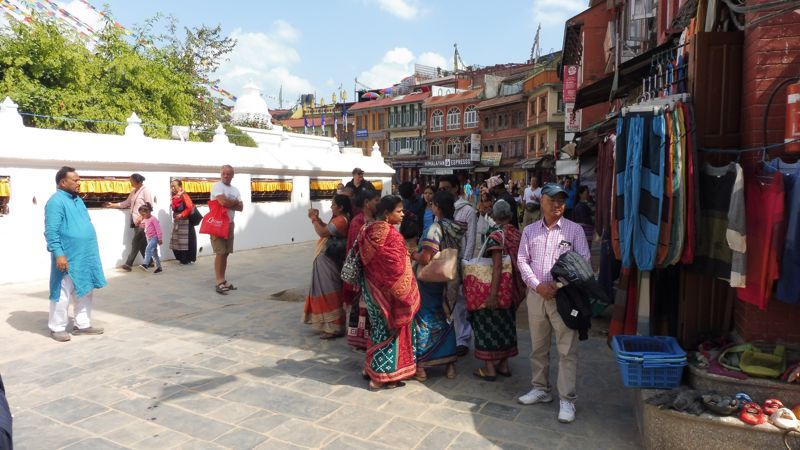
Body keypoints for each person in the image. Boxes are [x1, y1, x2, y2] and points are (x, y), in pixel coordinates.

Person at [516, 183, 591, 424]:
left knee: (567, 349)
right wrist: (538, 286)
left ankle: (567, 399)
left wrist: (557, 286)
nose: (558, 204)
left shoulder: (574, 231)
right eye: (553, 200)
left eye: (562, 200)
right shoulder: (529, 231)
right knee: (538, 347)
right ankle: (540, 388)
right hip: (537, 296)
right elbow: (522, 261)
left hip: (565, 298)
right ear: (542, 202)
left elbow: (584, 263)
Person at [358, 195, 421, 390]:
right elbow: (396, 270)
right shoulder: (392, 236)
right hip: (388, 294)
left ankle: (370, 369)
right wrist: (406, 292)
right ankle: (379, 377)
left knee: (377, 329)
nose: (402, 214)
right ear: (386, 214)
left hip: (371, 289)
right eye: (398, 211)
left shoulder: (367, 229)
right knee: (389, 331)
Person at [44, 166, 107, 342]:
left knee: (85, 290)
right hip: (68, 256)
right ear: (63, 182)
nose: (79, 183)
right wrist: (59, 254)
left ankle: (83, 324)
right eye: (75, 180)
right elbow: (51, 231)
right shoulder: (55, 202)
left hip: (85, 255)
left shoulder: (77, 200)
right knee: (62, 292)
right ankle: (57, 327)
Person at [411, 190, 465, 381]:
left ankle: (423, 364)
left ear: (437, 207)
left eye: (433, 204)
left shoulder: (436, 228)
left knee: (425, 319)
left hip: (431, 281)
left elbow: (426, 257)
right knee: (446, 318)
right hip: (450, 278)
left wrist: (413, 255)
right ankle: (449, 364)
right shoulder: (456, 227)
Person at [469, 200, 524, 381]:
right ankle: (504, 364)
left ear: (493, 215)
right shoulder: (518, 234)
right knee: (507, 325)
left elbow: (498, 266)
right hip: (513, 288)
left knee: (486, 324)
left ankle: (489, 367)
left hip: (496, 287)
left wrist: (492, 295)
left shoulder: (495, 235)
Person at [437, 174, 477, 357]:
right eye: (440, 188)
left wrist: (465, 263)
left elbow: (470, 239)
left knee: (460, 302)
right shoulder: (439, 209)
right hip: (442, 262)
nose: (442, 191)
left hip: (459, 261)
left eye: (445, 188)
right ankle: (448, 337)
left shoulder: (466, 210)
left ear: (455, 189)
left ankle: (462, 339)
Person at [304, 194, 351, 339]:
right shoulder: (338, 219)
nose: (331, 207)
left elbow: (323, 232)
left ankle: (334, 327)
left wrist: (313, 219)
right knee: (324, 290)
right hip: (326, 259)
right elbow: (326, 228)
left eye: (333, 204)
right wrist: (317, 219)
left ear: (341, 207)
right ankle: (327, 324)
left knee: (329, 290)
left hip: (329, 261)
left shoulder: (342, 220)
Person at [345, 189, 380, 350]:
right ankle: (362, 340)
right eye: (375, 201)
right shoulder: (357, 222)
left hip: (375, 271)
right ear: (367, 203)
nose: (378, 204)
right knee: (362, 306)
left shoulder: (376, 220)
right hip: (364, 271)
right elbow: (355, 250)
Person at [104, 173, 154, 271]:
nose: (130, 182)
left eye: (131, 180)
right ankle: (150, 261)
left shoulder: (146, 191)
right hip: (134, 221)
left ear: (137, 181)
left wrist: (141, 216)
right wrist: (113, 205)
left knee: (135, 242)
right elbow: (126, 203)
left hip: (143, 221)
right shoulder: (134, 191)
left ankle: (128, 263)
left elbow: (149, 206)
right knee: (141, 242)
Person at [211, 165, 243, 294]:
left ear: (232, 175)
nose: (226, 176)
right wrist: (234, 202)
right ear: (220, 174)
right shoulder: (217, 186)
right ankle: (219, 281)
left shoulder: (235, 189)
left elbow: (241, 207)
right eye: (223, 173)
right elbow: (223, 202)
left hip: (229, 223)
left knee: (226, 253)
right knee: (220, 252)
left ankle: (223, 279)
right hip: (218, 223)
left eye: (228, 174)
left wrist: (231, 202)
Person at [169, 179, 197, 265]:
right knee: (178, 240)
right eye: (171, 186)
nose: (173, 188)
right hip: (178, 221)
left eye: (174, 186)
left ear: (180, 186)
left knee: (185, 241)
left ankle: (186, 259)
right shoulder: (175, 196)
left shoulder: (184, 195)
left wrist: (181, 215)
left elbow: (190, 207)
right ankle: (181, 258)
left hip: (185, 221)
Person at [136, 203, 163, 274]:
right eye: (141, 215)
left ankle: (145, 264)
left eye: (143, 214)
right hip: (149, 238)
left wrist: (160, 238)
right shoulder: (145, 219)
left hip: (154, 237)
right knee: (154, 254)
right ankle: (159, 267)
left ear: (148, 212)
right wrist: (139, 224)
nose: (142, 216)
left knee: (148, 249)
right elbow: (143, 226)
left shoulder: (154, 219)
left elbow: (158, 229)